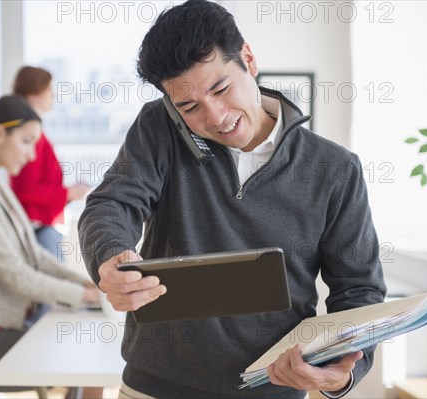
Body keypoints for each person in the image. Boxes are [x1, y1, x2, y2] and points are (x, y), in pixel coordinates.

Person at [77, 1, 387, 398]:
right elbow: (112, 204)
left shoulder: (334, 168)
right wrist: (110, 254)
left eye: (221, 89)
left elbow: (358, 290)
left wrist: (343, 373)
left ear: (248, 59)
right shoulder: (159, 128)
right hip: (154, 388)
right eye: (189, 107)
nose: (217, 117)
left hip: (273, 391)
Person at [0, 95, 100, 371]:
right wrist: (85, 296)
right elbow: (15, 274)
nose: (32, 155)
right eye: (26, 142)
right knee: (82, 349)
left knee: (84, 341)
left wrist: (86, 285)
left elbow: (35, 255)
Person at [10, 66, 91, 262]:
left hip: (42, 227)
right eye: (48, 90)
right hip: (39, 229)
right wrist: (69, 193)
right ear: (34, 93)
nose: (53, 95)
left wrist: (68, 194)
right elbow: (27, 189)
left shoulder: (31, 131)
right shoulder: (30, 135)